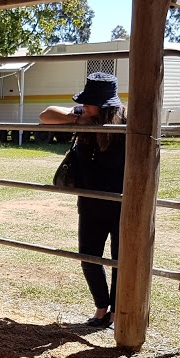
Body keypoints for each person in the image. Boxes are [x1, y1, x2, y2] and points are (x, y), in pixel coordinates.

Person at [39, 72, 126, 328]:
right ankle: (101, 306)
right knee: (89, 257)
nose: (85, 105)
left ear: (106, 105)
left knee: (120, 261)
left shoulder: (127, 121)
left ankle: (116, 311)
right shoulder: (83, 115)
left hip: (122, 204)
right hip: (89, 202)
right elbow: (46, 115)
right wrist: (80, 115)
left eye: (90, 102)